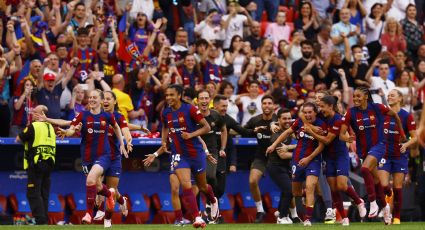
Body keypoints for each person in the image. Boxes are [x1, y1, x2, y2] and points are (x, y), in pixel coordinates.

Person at [57, 89, 128, 224]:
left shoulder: (107, 116)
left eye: (95, 97)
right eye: (90, 97)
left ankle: (88, 214)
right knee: (98, 187)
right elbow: (73, 128)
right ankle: (112, 195)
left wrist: (122, 143)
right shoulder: (82, 115)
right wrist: (67, 132)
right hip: (87, 158)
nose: (91, 100)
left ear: (101, 100)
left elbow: (117, 127)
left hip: (104, 156)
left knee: (90, 180)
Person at [339, 87, 405, 224]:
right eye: (354, 96)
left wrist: (402, 134)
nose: (355, 99)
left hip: (379, 146)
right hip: (363, 150)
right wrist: (347, 138)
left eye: (358, 96)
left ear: (366, 97)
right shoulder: (351, 112)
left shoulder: (377, 107)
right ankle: (386, 207)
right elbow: (341, 134)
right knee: (377, 182)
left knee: (364, 169)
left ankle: (373, 202)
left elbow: (396, 115)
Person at [159, 84, 219, 228]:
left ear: (179, 95)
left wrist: (190, 135)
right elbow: (165, 127)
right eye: (167, 95)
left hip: (196, 154)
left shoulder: (190, 109)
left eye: (171, 95)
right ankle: (197, 218)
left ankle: (212, 199)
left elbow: (207, 127)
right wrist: (163, 142)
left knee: (203, 186)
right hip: (179, 155)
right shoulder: (166, 112)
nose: (168, 98)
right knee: (186, 186)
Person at [304, 95, 367, 226]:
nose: (320, 109)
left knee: (342, 185)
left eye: (322, 106)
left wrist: (311, 131)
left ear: (330, 106)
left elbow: (327, 140)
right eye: (319, 106)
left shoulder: (339, 120)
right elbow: (304, 117)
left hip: (340, 155)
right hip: (328, 157)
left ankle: (359, 201)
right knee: (333, 188)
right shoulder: (321, 116)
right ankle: (344, 218)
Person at [266, 102, 326, 226]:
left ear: (315, 112)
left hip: (312, 160)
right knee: (296, 192)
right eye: (305, 112)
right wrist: (273, 145)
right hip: (297, 161)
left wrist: (309, 158)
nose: (308, 114)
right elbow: (287, 132)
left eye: (310, 112)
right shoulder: (299, 122)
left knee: (310, 187)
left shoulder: (322, 125)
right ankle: (293, 215)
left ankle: (307, 219)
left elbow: (322, 145)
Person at [378, 89, 417, 225]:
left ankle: (396, 217)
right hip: (384, 154)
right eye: (388, 96)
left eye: (392, 95)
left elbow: (415, 137)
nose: (389, 97)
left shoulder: (407, 116)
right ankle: (388, 196)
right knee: (383, 185)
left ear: (400, 98)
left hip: (399, 155)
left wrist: (406, 144)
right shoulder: (382, 114)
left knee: (398, 187)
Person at [15, 105, 56, 225]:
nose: (32, 114)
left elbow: (18, 138)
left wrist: (27, 127)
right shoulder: (50, 127)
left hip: (37, 163)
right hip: (49, 163)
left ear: (41, 114)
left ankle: (40, 220)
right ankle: (44, 220)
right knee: (44, 193)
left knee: (33, 193)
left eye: (35, 112)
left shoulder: (34, 126)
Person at [243, 95, 277, 223]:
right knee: (252, 181)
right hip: (261, 156)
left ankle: (293, 214)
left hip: (278, 156)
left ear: (273, 106)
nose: (267, 105)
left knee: (287, 185)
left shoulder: (278, 119)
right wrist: (253, 130)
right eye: (264, 103)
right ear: (261, 106)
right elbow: (241, 131)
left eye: (269, 103)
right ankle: (260, 211)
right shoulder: (255, 120)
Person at [197, 90, 227, 222]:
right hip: (196, 151)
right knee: (196, 183)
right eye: (201, 98)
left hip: (213, 151)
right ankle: (197, 215)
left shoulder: (216, 115)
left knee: (209, 176)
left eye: (206, 98)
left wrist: (222, 148)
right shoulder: (193, 115)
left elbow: (224, 130)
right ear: (197, 101)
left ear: (209, 100)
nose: (204, 101)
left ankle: (211, 202)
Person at [267, 108, 295, 224]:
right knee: (288, 190)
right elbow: (283, 155)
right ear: (278, 120)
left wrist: (292, 148)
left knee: (287, 190)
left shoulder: (290, 131)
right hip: (276, 167)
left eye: (289, 118)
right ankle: (281, 217)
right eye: (284, 118)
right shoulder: (276, 135)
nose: (287, 121)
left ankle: (281, 212)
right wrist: (300, 155)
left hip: (285, 167)